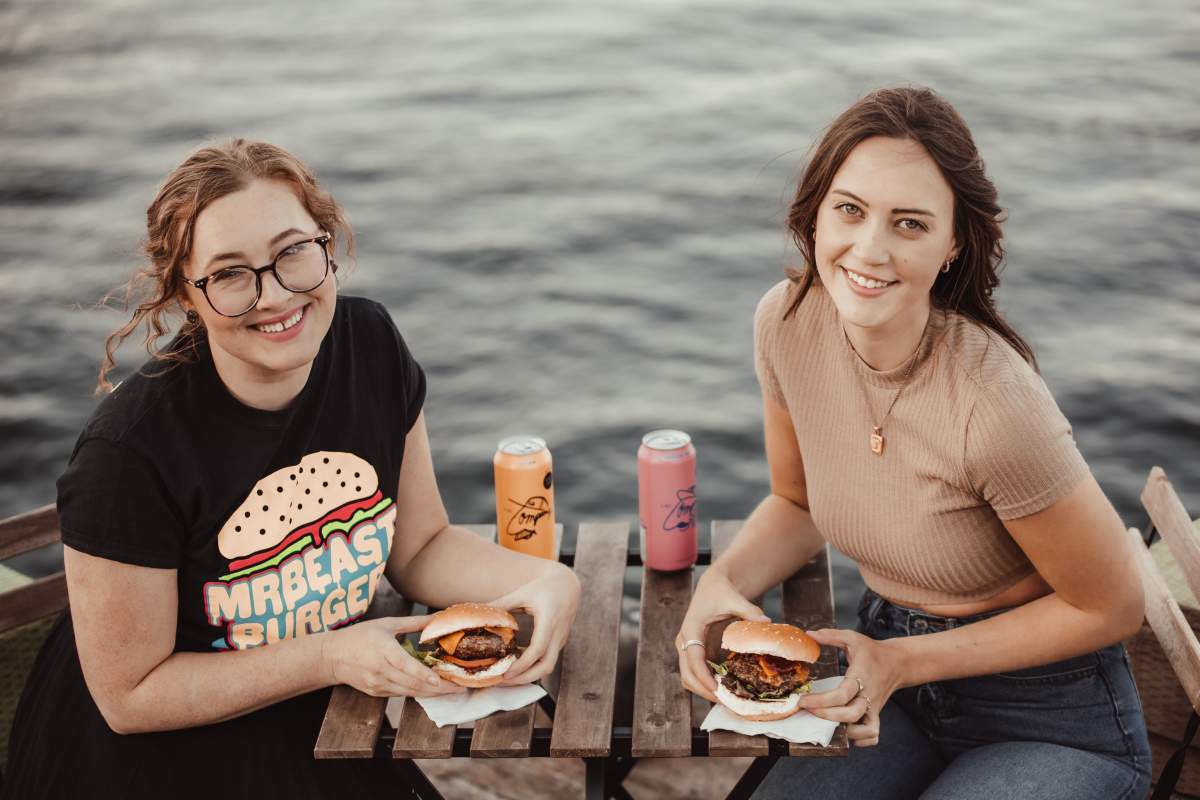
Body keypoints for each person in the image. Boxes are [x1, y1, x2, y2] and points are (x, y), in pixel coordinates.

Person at [2, 139, 581, 799]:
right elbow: (131, 698)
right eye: (229, 273)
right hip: (155, 758)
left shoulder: (370, 346)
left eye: (293, 253)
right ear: (188, 296)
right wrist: (333, 654)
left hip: (314, 711)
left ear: (326, 245)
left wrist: (543, 580)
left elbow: (419, 547)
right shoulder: (128, 455)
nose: (274, 295)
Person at [676, 87, 1151, 799]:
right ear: (814, 211)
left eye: (909, 223)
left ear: (953, 242)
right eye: (850, 210)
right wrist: (720, 584)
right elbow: (797, 502)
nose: (869, 249)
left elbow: (1112, 606)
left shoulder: (994, 401)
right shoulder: (786, 323)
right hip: (889, 673)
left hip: (1048, 714)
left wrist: (903, 661)